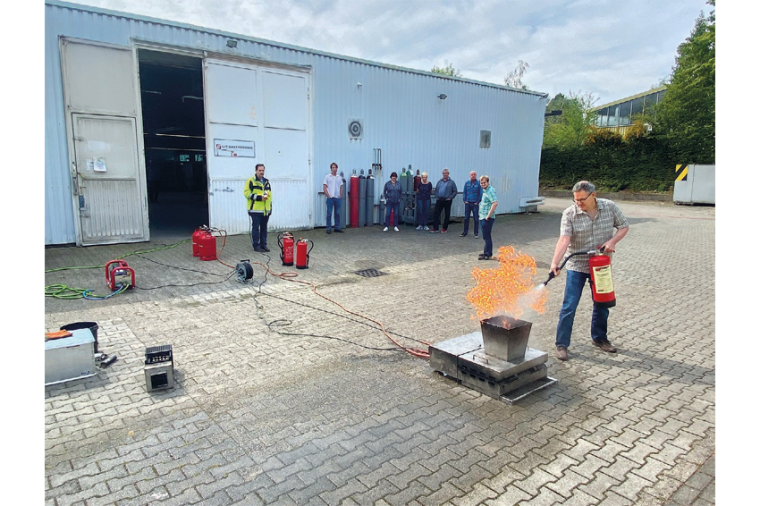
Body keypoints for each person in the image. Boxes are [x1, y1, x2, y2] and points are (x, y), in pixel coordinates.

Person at [550, 180, 630, 361]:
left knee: (602, 303)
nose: (578, 203)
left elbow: (624, 226)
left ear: (593, 195)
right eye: (575, 200)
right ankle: (561, 344)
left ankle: (599, 338)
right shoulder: (569, 214)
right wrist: (555, 263)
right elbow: (564, 239)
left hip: (601, 264)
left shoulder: (610, 207)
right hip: (577, 265)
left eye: (582, 200)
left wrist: (612, 242)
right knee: (569, 305)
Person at [244, 163, 272, 252]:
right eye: (259, 170)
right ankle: (256, 245)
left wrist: (270, 208)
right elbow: (247, 194)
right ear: (256, 171)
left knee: (264, 228)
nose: (261, 172)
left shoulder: (266, 181)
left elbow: (269, 196)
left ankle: (263, 244)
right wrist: (259, 197)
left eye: (263, 170)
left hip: (265, 211)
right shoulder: (251, 181)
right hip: (255, 210)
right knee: (255, 228)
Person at [430, 168, 458, 233]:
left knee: (447, 214)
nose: (445, 174)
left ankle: (444, 228)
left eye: (446, 173)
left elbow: (455, 191)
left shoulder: (451, 182)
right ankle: (435, 228)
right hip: (439, 200)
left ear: (448, 174)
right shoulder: (440, 182)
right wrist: (436, 196)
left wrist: (450, 197)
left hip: (447, 200)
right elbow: (436, 190)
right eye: (444, 173)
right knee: (436, 213)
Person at [478, 175, 498, 260]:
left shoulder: (490, 191)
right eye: (481, 183)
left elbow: (495, 203)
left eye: (484, 182)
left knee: (487, 236)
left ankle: (488, 254)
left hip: (487, 218)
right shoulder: (485, 190)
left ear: (488, 182)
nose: (483, 184)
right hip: (482, 217)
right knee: (485, 236)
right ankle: (486, 252)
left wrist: (488, 215)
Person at [323, 162, 344, 234]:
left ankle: (337, 227)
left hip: (337, 198)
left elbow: (341, 187)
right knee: (329, 213)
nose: (334, 169)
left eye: (335, 167)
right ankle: (328, 228)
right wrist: (328, 195)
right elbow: (324, 187)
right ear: (331, 169)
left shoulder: (339, 177)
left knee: (337, 213)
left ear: (337, 169)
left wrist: (340, 195)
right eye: (333, 167)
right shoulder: (327, 177)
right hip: (330, 198)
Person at [460, 170, 483, 237]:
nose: (473, 176)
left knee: (476, 218)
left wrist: (477, 202)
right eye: (472, 174)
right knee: (466, 218)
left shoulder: (479, 184)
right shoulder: (467, 183)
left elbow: (480, 193)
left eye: (474, 174)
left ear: (476, 175)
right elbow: (465, 192)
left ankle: (476, 233)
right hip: (468, 203)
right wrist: (465, 201)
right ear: (470, 176)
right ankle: (465, 232)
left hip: (475, 204)